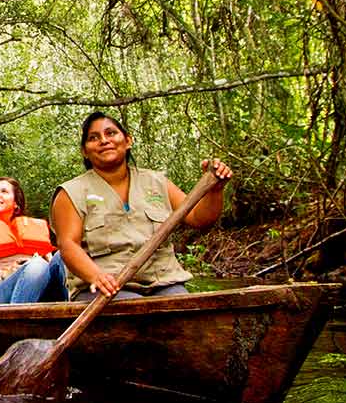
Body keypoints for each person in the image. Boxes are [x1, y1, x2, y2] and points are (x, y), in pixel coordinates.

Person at [50, 111, 233, 301]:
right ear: (85, 151)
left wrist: (215, 190)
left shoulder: (157, 182)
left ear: (128, 141)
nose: (104, 141)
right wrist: (97, 276)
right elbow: (68, 245)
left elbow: (199, 218)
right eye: (93, 138)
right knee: (133, 314)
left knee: (186, 314)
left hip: (164, 282)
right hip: (106, 290)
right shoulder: (71, 192)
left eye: (111, 133)